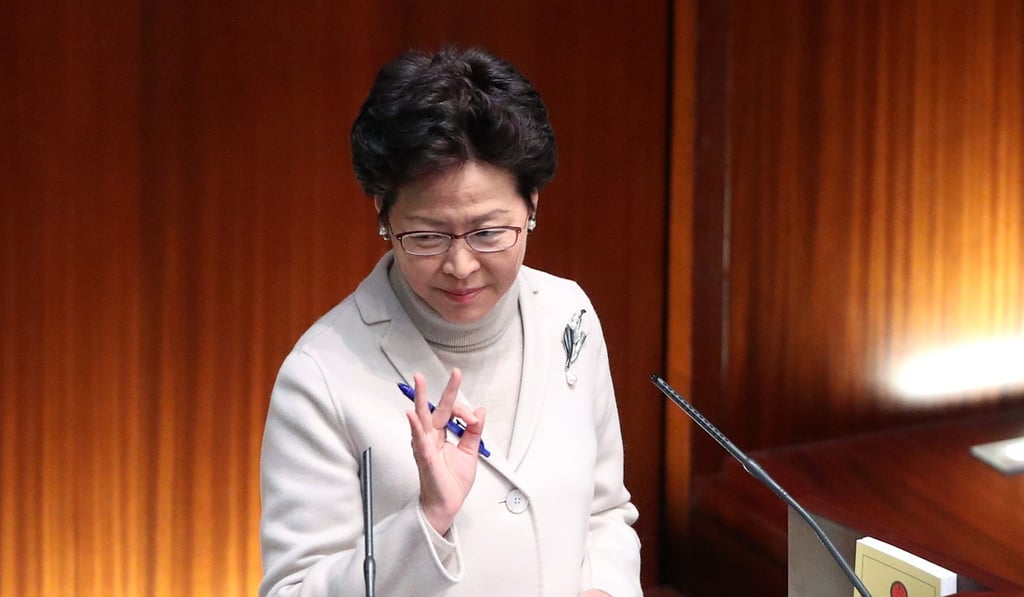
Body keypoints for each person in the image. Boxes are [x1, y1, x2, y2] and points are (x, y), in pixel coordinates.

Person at [259, 46, 642, 597]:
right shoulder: (321, 376)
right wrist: (426, 521)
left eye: (488, 232)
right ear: (382, 214)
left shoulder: (569, 315)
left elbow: (605, 512)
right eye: (426, 237)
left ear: (531, 203)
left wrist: (606, 589)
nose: (460, 266)